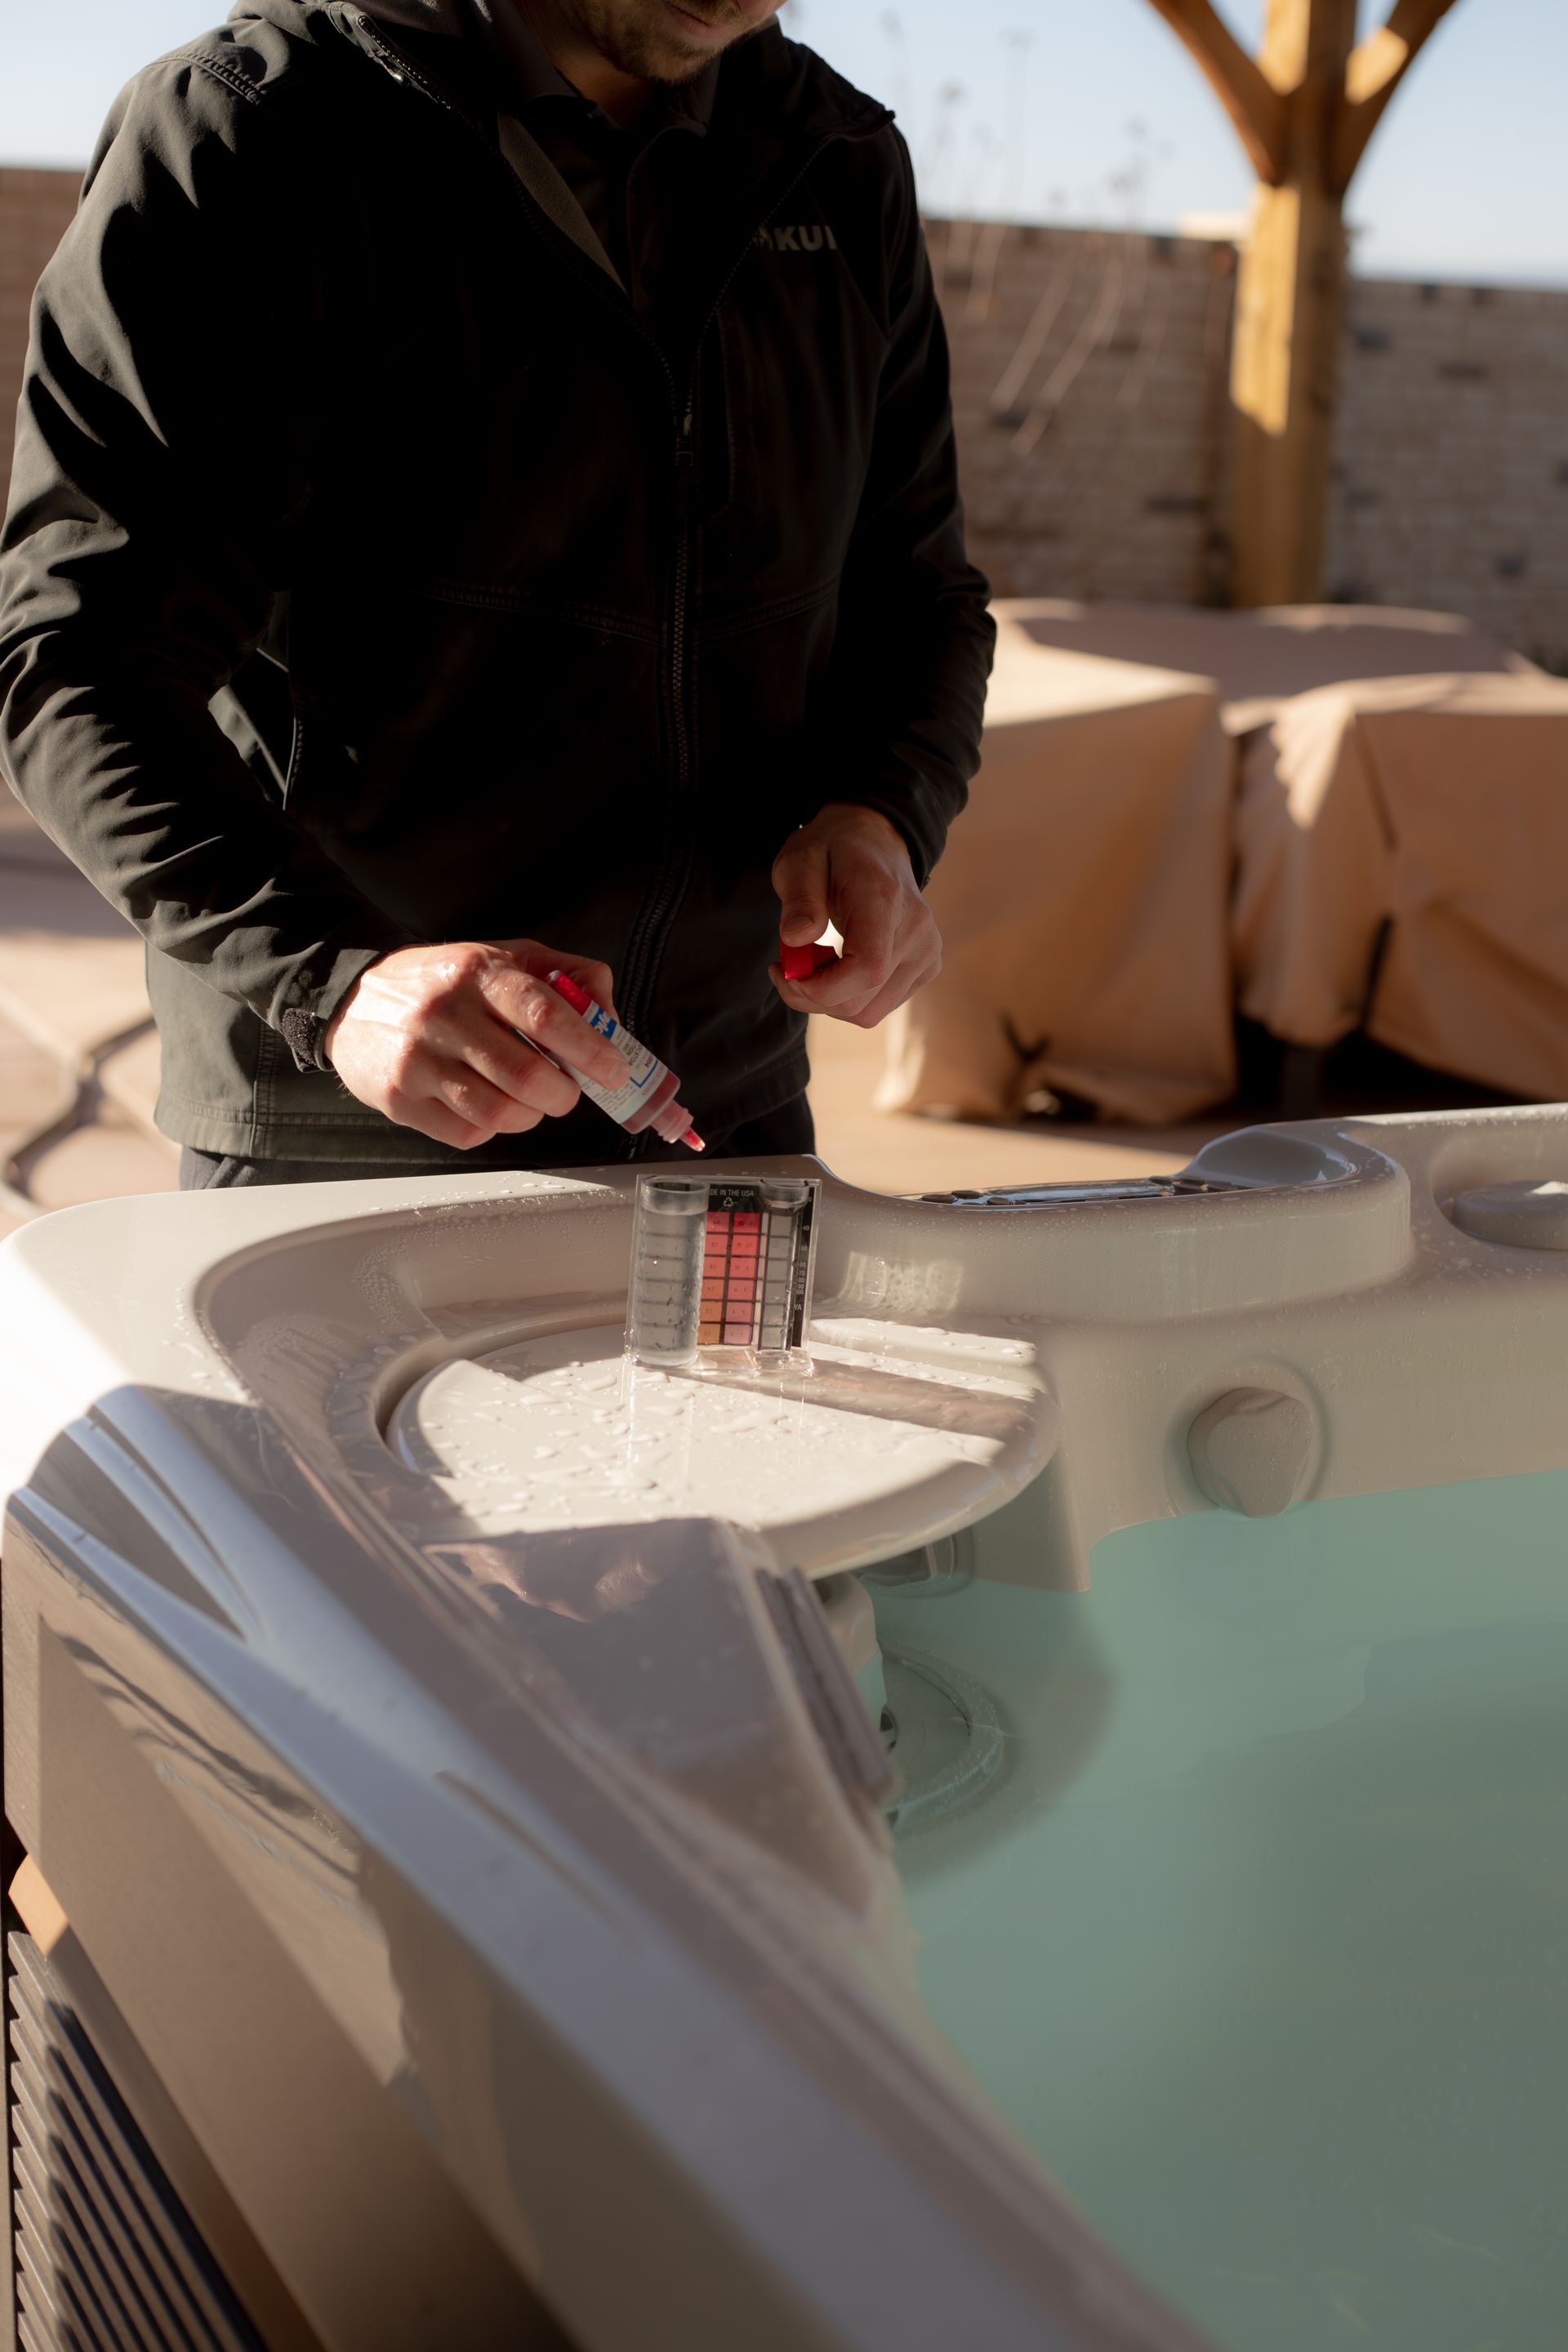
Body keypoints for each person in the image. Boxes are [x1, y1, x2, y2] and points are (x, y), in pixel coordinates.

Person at [0, 0, 993, 1187]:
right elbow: (77, 657)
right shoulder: (251, 130)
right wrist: (336, 979)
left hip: (726, 1112)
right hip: (357, 1122)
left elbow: (922, 601)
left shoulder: (835, 156)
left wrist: (882, 811)